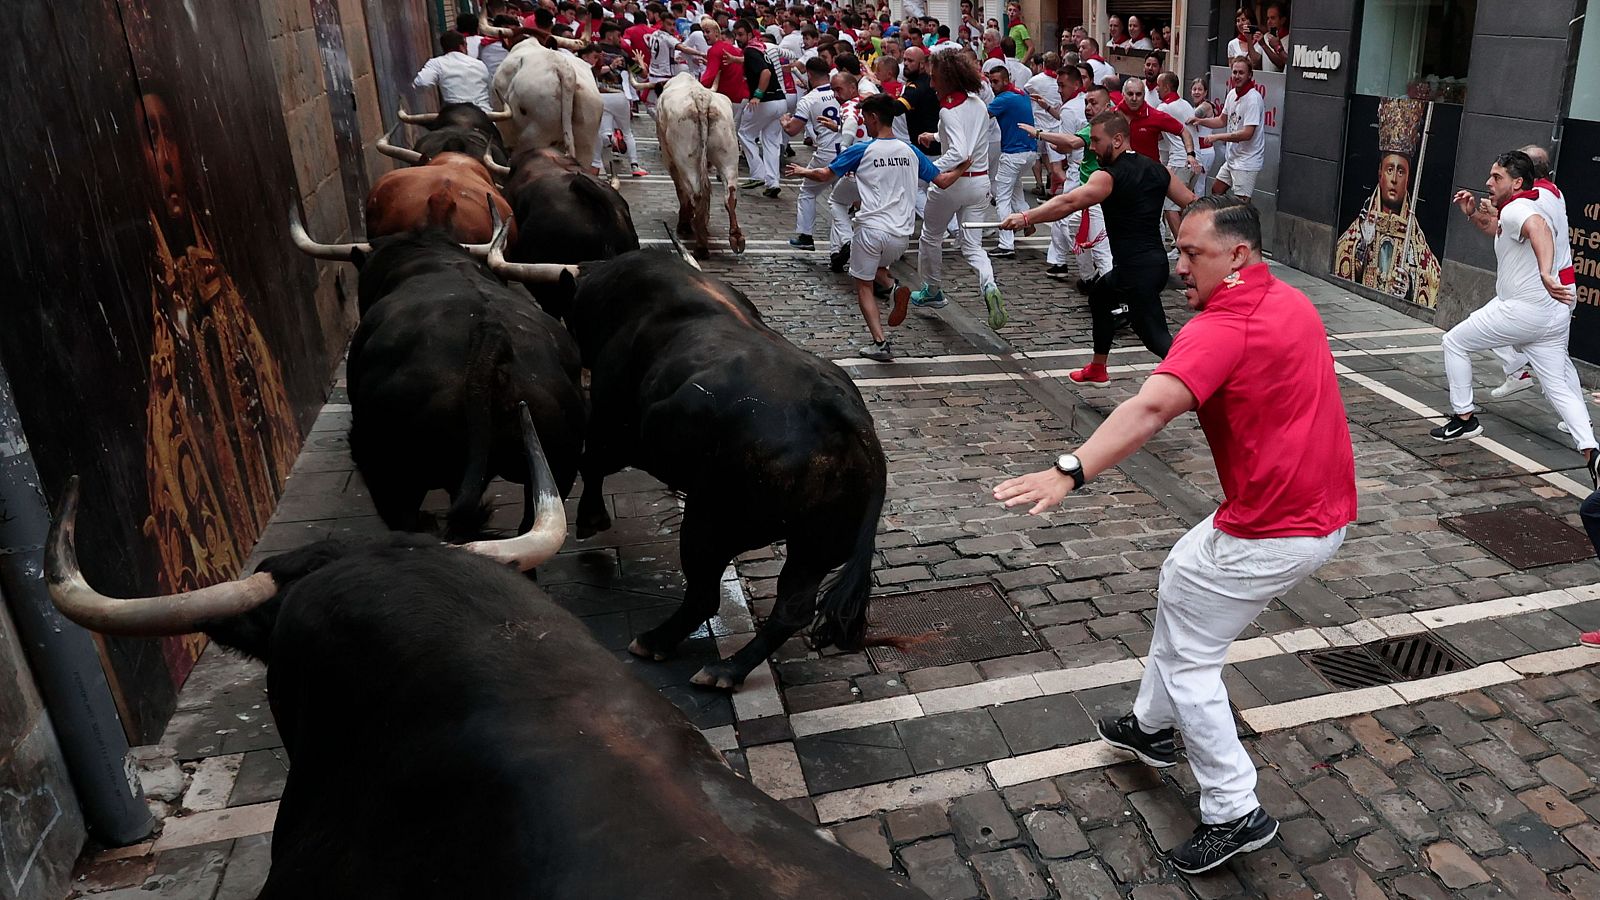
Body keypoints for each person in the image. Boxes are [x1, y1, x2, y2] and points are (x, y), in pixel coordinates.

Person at [994, 195, 1356, 876]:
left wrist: (1069, 470)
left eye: (1192, 254)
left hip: (1274, 527)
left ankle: (1235, 810)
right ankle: (1152, 726)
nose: (1178, 266)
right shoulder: (1291, 301)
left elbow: (1151, 406)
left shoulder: (1223, 326)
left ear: (1238, 255)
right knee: (1182, 579)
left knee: (1193, 660)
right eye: (1178, 250)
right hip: (1314, 511)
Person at [1430, 151, 1600, 491]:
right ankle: (1592, 453)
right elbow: (1501, 230)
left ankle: (1465, 418)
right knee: (1559, 388)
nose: (1488, 183)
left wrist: (1545, 272)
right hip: (1552, 315)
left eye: (1496, 178)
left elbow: (1537, 229)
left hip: (1522, 309)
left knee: (1455, 342)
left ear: (1517, 182)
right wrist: (1473, 213)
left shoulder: (1522, 209)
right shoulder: (1531, 201)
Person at [1000, 110, 1197, 382]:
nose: (1091, 147)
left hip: (1136, 271)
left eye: (1095, 140)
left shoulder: (1107, 177)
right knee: (1100, 295)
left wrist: (1025, 217)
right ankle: (1098, 367)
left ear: (1117, 140)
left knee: (1156, 338)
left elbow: (1068, 203)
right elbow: (1193, 203)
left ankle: (1206, 378)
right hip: (1152, 264)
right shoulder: (1158, 169)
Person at [789, 94, 955, 361]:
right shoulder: (910, 150)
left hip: (871, 230)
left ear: (874, 118)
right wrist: (966, 165)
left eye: (865, 118)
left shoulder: (862, 149)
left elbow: (825, 175)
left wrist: (802, 171)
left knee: (863, 285)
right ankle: (892, 287)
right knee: (878, 266)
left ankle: (880, 342)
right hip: (901, 235)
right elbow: (942, 180)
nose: (864, 123)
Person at [909, 50, 1007, 331]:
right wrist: (935, 135)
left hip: (953, 183)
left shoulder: (947, 109)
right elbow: (969, 134)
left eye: (934, 76)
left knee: (931, 235)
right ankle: (988, 284)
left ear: (946, 78)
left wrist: (932, 168)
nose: (932, 81)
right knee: (973, 245)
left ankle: (932, 289)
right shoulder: (976, 102)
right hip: (980, 183)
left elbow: (960, 149)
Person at [1333, 97, 1442, 308]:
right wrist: (1362, 249)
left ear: (1408, 179)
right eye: (1389, 169)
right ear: (1380, 174)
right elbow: (1343, 256)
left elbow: (1432, 277)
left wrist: (1409, 284)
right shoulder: (1362, 227)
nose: (1394, 179)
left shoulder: (1415, 239)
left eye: (1400, 171)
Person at [1033, 78, 1112, 288]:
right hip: (1089, 192)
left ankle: (1114, 296)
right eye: (1086, 102)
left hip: (1098, 195)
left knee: (1102, 249)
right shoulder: (1094, 125)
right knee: (1070, 224)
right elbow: (1070, 144)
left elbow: (1072, 142)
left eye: (1093, 103)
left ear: (1107, 105)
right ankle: (1088, 277)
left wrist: (1039, 133)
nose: (1088, 107)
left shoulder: (1102, 126)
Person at [783, 58, 839, 249]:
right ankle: (843, 241)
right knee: (843, 201)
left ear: (810, 75)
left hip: (826, 153)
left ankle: (806, 235)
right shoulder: (842, 91)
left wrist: (784, 122)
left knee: (807, 191)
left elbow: (793, 130)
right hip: (848, 152)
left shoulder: (809, 98)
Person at [1192, 57, 1265, 203]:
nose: (1237, 76)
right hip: (1232, 158)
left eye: (1241, 73)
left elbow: (1247, 133)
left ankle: (1243, 224)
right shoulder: (1232, 94)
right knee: (1216, 190)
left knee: (1241, 203)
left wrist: (1217, 137)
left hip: (1247, 160)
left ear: (1250, 75)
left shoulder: (1253, 99)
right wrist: (1201, 121)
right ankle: (1224, 223)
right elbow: (1221, 120)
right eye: (1234, 72)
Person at [730, 19, 787, 197]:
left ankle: (758, 173)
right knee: (771, 141)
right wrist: (735, 59)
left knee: (744, 133)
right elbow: (753, 62)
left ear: (749, 34)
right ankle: (773, 182)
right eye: (736, 35)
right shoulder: (760, 47)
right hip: (780, 100)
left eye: (740, 35)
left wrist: (758, 94)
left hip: (766, 101)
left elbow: (765, 72)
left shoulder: (750, 50)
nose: (738, 38)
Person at [985, 64, 1036, 260]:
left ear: (1006, 80)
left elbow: (980, 118)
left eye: (996, 81)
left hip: (1013, 153)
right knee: (1015, 190)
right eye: (991, 82)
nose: (993, 85)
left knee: (1002, 197)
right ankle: (1027, 219)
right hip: (1028, 152)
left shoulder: (1003, 99)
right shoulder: (1021, 93)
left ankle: (1006, 244)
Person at [583, 38, 648, 175]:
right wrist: (640, 62)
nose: (620, 39)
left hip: (600, 97)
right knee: (627, 132)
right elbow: (642, 74)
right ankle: (635, 166)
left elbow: (591, 71)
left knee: (604, 132)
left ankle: (611, 140)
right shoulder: (623, 56)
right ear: (610, 35)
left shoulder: (595, 54)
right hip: (619, 97)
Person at [1156, 72, 1202, 254]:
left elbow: (1157, 133)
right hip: (1194, 162)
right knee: (1185, 206)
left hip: (1180, 161)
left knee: (1170, 208)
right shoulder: (1185, 104)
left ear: (1166, 87)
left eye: (1159, 86)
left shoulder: (1163, 108)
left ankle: (1183, 248)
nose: (1157, 89)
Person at [1116, 77, 1191, 164]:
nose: (1134, 98)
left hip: (1149, 171)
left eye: (1138, 94)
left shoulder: (1155, 115)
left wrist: (1190, 154)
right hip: (1120, 171)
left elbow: (1183, 130)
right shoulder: (1112, 114)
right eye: (1130, 94)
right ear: (1123, 94)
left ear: (1144, 95)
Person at [413, 31, 492, 111]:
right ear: (462, 47)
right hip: (483, 112)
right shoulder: (480, 64)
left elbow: (422, 83)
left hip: (454, 113)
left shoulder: (436, 63)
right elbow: (490, 90)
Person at [1187, 77, 1217, 194]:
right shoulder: (1193, 106)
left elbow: (1195, 115)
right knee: (1193, 184)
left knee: (1199, 185)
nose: (1196, 92)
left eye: (1200, 89)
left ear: (1205, 92)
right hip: (1197, 150)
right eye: (1194, 89)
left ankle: (1200, 210)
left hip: (1205, 151)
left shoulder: (1206, 106)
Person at [1260, 3, 1289, 73]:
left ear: (1282, 20)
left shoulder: (1290, 39)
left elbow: (1280, 64)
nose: (1268, 22)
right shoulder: (1265, 36)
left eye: (1272, 18)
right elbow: (1255, 62)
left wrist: (1265, 46)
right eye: (1268, 18)